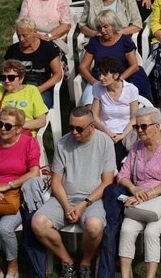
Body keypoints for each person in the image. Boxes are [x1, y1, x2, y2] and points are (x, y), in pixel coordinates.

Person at [31, 107, 115, 278]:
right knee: (38, 223)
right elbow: (56, 181)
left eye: (79, 129)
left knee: (94, 226)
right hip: (65, 198)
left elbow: (107, 182)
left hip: (92, 199)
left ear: (92, 126)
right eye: (71, 127)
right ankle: (67, 260)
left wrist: (84, 204)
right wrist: (67, 206)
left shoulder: (105, 142)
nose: (74, 132)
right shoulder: (62, 143)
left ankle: (85, 261)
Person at [103, 107, 161, 278]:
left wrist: (146, 194)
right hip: (139, 198)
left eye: (144, 126)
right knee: (126, 230)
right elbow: (123, 175)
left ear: (157, 126)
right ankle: (126, 276)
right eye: (136, 127)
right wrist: (134, 189)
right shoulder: (137, 146)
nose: (139, 130)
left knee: (151, 232)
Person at [0, 107, 40, 278]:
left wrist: (8, 185)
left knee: (5, 229)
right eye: (0, 124)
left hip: (17, 195)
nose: (2, 128)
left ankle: (13, 267)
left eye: (8, 126)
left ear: (19, 128)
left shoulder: (29, 143)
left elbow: (34, 172)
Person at [77, 9, 151, 105]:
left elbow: (134, 66)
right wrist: (94, 82)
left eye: (106, 27)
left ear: (114, 25)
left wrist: (116, 81)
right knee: (90, 106)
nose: (102, 31)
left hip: (122, 78)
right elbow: (82, 67)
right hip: (100, 80)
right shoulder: (94, 41)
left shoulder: (125, 41)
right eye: (99, 28)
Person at [0, 59, 48, 142]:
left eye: (11, 77)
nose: (6, 81)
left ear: (21, 78)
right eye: (3, 77)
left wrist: (15, 127)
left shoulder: (31, 91)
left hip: (20, 138)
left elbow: (41, 121)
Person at [90, 57, 139, 170]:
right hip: (105, 131)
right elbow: (94, 116)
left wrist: (121, 136)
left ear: (116, 75)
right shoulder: (97, 87)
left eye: (104, 74)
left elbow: (134, 118)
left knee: (112, 161)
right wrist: (107, 132)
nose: (101, 78)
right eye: (99, 74)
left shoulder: (131, 89)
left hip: (125, 133)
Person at [5, 17, 63, 109]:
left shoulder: (48, 48)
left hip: (42, 89)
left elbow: (58, 74)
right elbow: (5, 72)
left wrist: (39, 89)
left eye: (25, 35)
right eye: (19, 35)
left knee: (32, 106)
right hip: (17, 89)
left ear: (35, 32)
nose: (21, 39)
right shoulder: (12, 50)